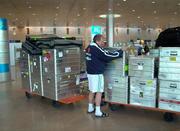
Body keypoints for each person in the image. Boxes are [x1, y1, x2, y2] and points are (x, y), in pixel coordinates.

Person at [85, 34, 126, 118]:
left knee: (92, 91)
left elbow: (101, 55)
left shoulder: (89, 47)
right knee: (99, 92)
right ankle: (98, 111)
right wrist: (121, 51)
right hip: (97, 74)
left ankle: (90, 108)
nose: (104, 42)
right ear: (97, 41)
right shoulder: (96, 49)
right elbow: (107, 56)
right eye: (102, 40)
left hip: (90, 73)